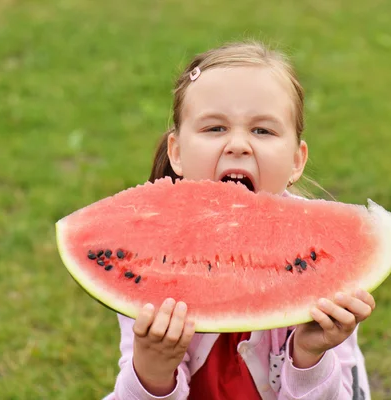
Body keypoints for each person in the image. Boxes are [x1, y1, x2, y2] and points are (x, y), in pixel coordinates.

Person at [102, 41, 376, 400]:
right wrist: (152, 372)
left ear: (296, 160)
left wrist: (310, 356)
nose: (238, 145)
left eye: (262, 131)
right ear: (177, 153)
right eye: (215, 128)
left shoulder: (321, 257)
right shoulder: (147, 257)